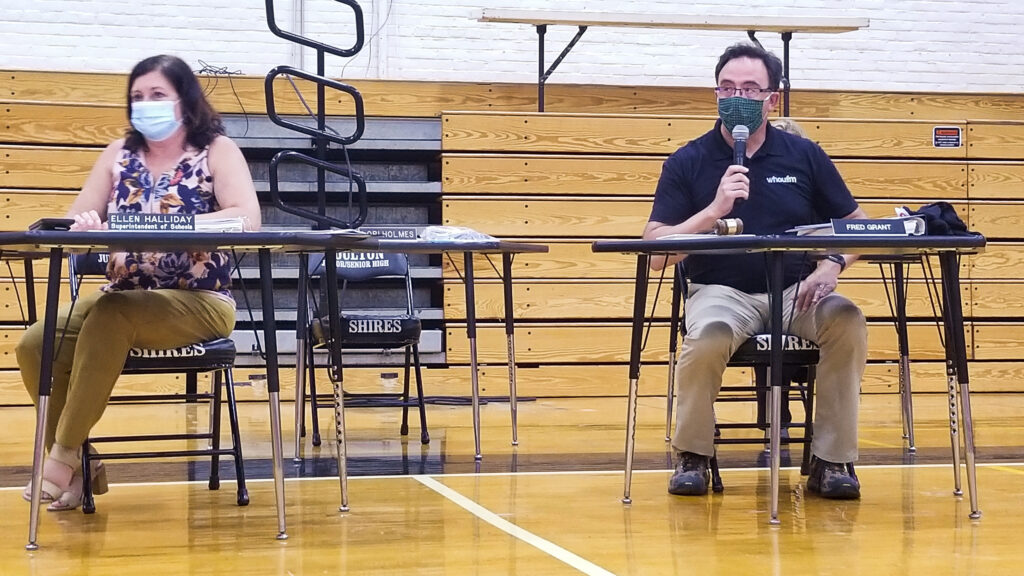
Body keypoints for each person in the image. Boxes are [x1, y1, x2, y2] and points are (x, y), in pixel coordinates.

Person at [17, 54, 261, 511]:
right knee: (35, 343)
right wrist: (85, 228)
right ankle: (84, 465)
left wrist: (174, 225)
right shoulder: (117, 154)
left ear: (185, 100)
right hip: (123, 292)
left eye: (157, 95)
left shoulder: (217, 150)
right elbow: (72, 225)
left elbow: (247, 218)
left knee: (114, 313)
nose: (146, 103)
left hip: (200, 300)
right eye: (137, 96)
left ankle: (62, 458)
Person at [643, 43, 868, 500]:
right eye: (727, 88)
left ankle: (831, 460)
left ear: (772, 99)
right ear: (716, 94)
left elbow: (858, 226)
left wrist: (833, 263)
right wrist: (713, 210)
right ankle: (694, 455)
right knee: (706, 338)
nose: (737, 97)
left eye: (749, 88)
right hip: (721, 290)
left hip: (796, 291)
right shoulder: (688, 160)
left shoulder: (804, 155)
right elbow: (655, 252)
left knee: (847, 319)